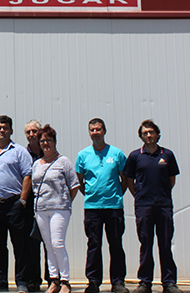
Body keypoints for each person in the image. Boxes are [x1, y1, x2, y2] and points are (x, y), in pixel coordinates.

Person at [124, 120, 181, 293]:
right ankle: (145, 283)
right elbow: (129, 181)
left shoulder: (167, 155)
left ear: (157, 134)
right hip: (144, 207)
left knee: (165, 244)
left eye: (151, 132)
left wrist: (162, 195)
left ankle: (169, 283)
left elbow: (172, 180)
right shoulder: (135, 156)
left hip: (163, 206)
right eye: (145, 133)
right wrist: (140, 196)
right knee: (146, 245)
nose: (148, 135)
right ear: (141, 136)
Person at [74, 119, 129, 293]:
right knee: (94, 245)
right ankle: (93, 282)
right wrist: (91, 194)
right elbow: (79, 181)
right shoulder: (83, 155)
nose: (95, 132)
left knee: (116, 244)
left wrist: (116, 194)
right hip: (92, 208)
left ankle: (118, 282)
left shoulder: (117, 153)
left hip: (114, 207)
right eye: (92, 130)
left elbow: (125, 179)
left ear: (104, 131)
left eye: (98, 129)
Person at [0, 115, 33, 293]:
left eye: (5, 128)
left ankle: (22, 282)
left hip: (14, 205)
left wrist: (22, 200)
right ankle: (0, 282)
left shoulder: (19, 151)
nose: (1, 130)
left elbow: (27, 176)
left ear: (11, 130)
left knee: (20, 245)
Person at [31, 125, 79, 293]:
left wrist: (65, 201)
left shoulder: (63, 161)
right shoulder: (36, 164)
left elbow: (74, 185)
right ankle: (54, 280)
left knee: (58, 244)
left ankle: (65, 280)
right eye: (42, 141)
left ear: (55, 141)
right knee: (48, 245)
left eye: (48, 140)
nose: (45, 144)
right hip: (41, 210)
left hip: (59, 209)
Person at [23, 120, 47, 292]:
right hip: (29, 204)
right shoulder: (22, 154)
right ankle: (33, 280)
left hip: (48, 203)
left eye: (34, 131)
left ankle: (53, 278)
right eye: (28, 132)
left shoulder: (49, 152)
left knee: (51, 243)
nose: (31, 134)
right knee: (31, 243)